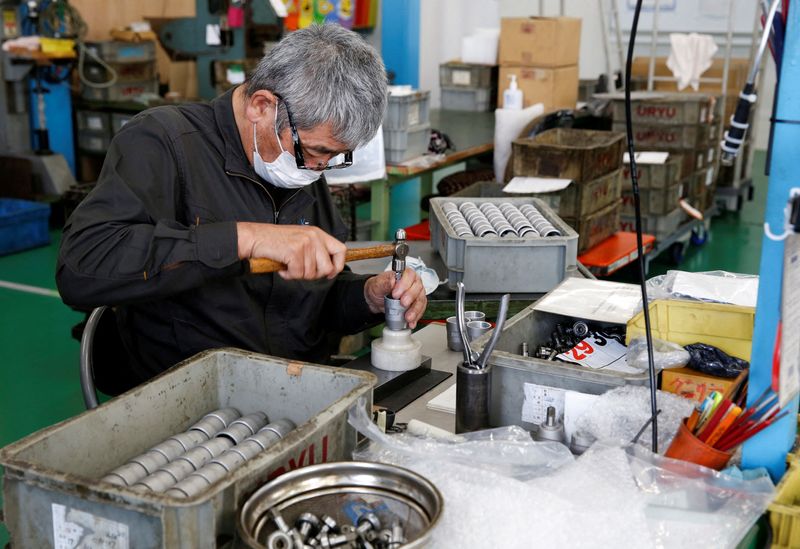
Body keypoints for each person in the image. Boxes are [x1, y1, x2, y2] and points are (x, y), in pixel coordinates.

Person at [56, 24, 427, 389]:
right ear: (261, 106)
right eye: (317, 153)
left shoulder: (302, 163)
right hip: (191, 401)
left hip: (295, 389)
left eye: (335, 158)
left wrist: (367, 296)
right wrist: (245, 238)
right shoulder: (164, 142)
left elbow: (316, 300)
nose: (319, 169)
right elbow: (82, 267)